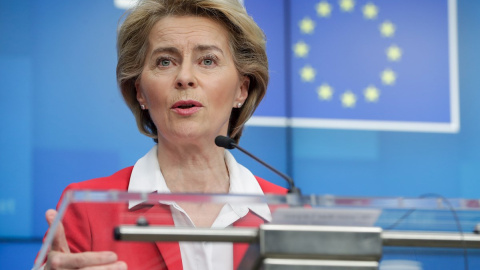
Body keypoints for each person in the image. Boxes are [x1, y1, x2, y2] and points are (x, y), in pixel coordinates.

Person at [39, 0, 286, 269]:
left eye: (207, 60)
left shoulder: (289, 216)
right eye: (165, 61)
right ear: (140, 92)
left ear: (242, 89)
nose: (185, 77)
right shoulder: (85, 209)